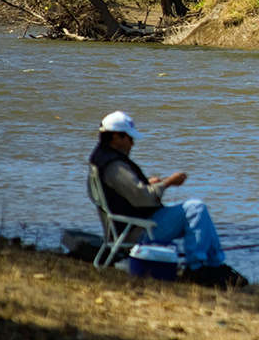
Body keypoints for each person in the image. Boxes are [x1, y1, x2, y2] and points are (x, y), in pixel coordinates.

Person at [88, 110, 246, 288]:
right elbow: (145, 198)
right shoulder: (115, 165)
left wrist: (149, 183)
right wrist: (169, 182)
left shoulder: (102, 158)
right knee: (196, 208)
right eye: (129, 138)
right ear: (116, 138)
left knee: (197, 211)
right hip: (137, 230)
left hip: (131, 225)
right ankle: (196, 269)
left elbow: (128, 191)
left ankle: (214, 266)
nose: (133, 143)